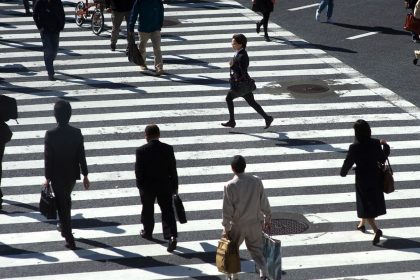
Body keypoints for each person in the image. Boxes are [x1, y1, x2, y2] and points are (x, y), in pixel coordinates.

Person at [44, 100, 90, 250]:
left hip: (56, 174)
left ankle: (69, 236)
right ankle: (65, 227)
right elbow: (81, 155)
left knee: (62, 204)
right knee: (65, 199)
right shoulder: (76, 133)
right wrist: (85, 175)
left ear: (55, 116)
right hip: (71, 174)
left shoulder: (50, 134)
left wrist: (47, 177)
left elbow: (48, 157)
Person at [340, 119, 390, 245]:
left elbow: (348, 163)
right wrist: (385, 146)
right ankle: (362, 224)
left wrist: (343, 172)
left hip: (362, 179)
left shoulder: (354, 147)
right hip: (376, 177)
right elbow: (383, 158)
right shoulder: (375, 143)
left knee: (365, 205)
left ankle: (376, 230)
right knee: (368, 203)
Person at [222, 155, 271, 280]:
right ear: (245, 167)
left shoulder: (230, 186)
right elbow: (263, 201)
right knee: (257, 251)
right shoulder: (256, 181)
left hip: (237, 225)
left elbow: (227, 210)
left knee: (232, 251)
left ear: (232, 168)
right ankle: (264, 274)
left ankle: (234, 275)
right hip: (255, 223)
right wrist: (267, 216)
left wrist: (226, 228)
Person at [135, 124, 178, 252]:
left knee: (147, 209)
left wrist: (140, 186)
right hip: (165, 185)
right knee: (167, 211)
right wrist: (174, 187)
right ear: (159, 135)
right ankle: (171, 236)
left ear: (146, 136)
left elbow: (138, 171)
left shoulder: (141, 151)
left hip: (147, 187)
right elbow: (173, 171)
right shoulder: (168, 149)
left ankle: (147, 231)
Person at [221, 34, 273, 129]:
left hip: (240, 84)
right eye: (232, 43)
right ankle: (267, 118)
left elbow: (243, 71)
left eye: (234, 43)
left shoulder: (242, 56)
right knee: (252, 102)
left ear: (241, 44)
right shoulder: (239, 53)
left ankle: (232, 121)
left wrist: (232, 65)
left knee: (229, 98)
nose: (232, 45)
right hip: (244, 84)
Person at [128, 0, 164, 76]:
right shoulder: (139, 1)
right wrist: (131, 26)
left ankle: (159, 67)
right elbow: (134, 13)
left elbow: (161, 11)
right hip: (144, 29)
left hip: (155, 28)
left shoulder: (158, 1)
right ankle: (142, 64)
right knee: (142, 47)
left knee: (157, 48)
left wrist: (160, 24)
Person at [33, 0, 65, 81]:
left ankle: (49, 63)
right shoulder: (40, 1)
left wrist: (62, 24)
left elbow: (62, 12)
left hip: (55, 29)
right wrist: (40, 27)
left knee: (55, 49)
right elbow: (35, 14)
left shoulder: (57, 1)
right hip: (45, 30)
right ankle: (50, 72)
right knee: (48, 50)